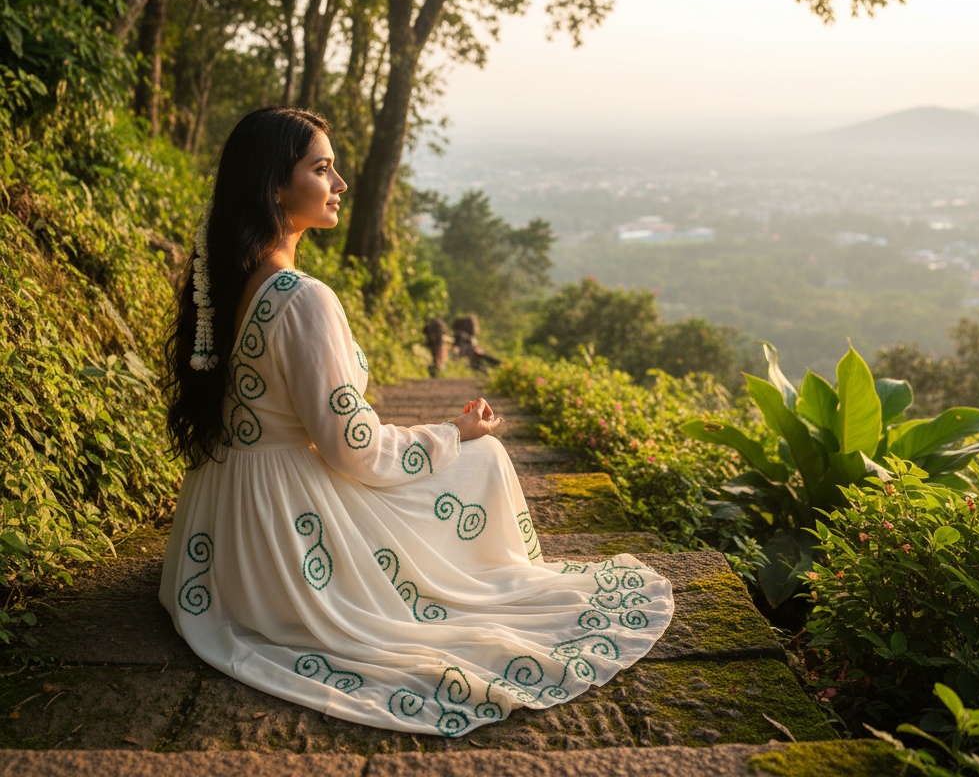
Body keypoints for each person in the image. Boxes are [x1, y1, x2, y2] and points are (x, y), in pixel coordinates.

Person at [160, 106, 673, 737]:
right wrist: (452, 433)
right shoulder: (302, 298)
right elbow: (354, 448)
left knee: (461, 457)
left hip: (225, 524)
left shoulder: (230, 281)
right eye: (322, 169)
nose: (340, 182)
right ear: (275, 187)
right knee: (482, 458)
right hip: (287, 525)